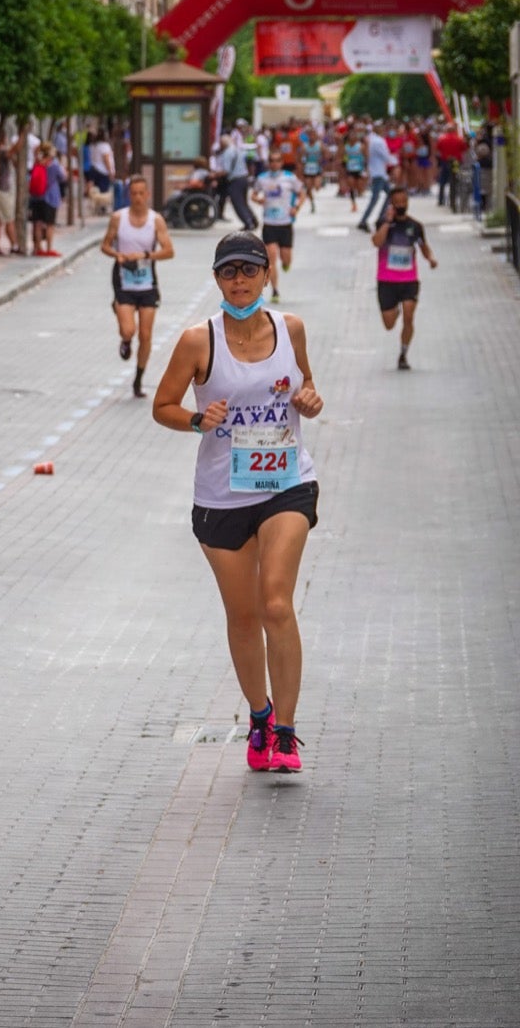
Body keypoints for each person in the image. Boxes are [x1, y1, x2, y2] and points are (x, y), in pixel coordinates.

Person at [151, 230, 325, 775]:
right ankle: (259, 717)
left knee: (276, 603)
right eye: (229, 272)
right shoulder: (197, 341)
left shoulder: (290, 328)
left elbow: (308, 392)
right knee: (244, 616)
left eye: (250, 270)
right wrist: (196, 419)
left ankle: (287, 733)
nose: (240, 281)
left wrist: (309, 402)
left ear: (267, 274)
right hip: (222, 497)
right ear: (217, 278)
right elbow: (162, 406)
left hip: (286, 484)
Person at [101, 175, 176, 398]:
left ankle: (138, 380)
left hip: (146, 282)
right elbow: (104, 246)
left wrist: (145, 255)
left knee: (145, 334)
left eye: (141, 193)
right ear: (128, 195)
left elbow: (169, 251)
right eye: (133, 193)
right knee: (129, 331)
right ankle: (125, 339)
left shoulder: (156, 220)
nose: (138, 198)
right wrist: (118, 255)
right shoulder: (118, 218)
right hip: (123, 280)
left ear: (148, 194)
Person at [371, 186, 438, 371]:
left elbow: (423, 246)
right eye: (397, 202)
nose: (401, 205)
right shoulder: (383, 223)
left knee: (409, 316)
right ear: (391, 204)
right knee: (389, 324)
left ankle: (403, 353)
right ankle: (395, 311)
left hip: (409, 279)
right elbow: (376, 242)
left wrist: (430, 259)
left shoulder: (415, 226)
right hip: (386, 280)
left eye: (404, 201)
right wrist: (387, 222)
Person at [251, 155, 304, 304]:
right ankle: (275, 290)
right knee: (271, 258)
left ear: (281, 163)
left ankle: (286, 263)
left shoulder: (290, 177)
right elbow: (253, 195)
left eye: (277, 161)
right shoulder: (262, 178)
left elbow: (302, 193)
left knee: (285, 258)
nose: (274, 164)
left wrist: (296, 207)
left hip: (285, 223)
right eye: (272, 161)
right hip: (269, 223)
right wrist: (258, 199)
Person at [0, 128, 21, 254]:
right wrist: (23, 135)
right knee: (8, 219)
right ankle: (14, 245)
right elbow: (13, 151)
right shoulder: (1, 152)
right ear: (2, 139)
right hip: (1, 191)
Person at [29, 143, 66, 257]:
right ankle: (49, 248)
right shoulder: (53, 165)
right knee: (50, 224)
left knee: (37, 223)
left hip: (36, 197)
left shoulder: (37, 163)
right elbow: (63, 177)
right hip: (50, 197)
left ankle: (37, 247)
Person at [218, 124, 256, 230]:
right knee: (244, 202)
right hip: (243, 178)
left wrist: (215, 174)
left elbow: (226, 170)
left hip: (235, 180)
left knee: (238, 202)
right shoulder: (236, 150)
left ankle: (248, 223)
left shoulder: (227, 153)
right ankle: (253, 220)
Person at [357, 125, 396, 230]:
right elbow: (385, 156)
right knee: (375, 198)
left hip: (378, 172)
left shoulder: (371, 140)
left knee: (390, 194)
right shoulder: (378, 141)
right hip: (378, 173)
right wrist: (395, 161)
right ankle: (365, 220)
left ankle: (380, 217)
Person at [435, 123, 467, 207]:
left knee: (442, 181)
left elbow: (438, 148)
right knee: (456, 180)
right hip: (456, 162)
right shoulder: (459, 139)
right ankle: (455, 198)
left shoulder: (442, 139)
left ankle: (441, 200)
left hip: (445, 161)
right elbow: (464, 148)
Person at [341, 129, 366, 213]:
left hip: (359, 169)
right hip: (350, 169)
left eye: (353, 136)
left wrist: (366, 169)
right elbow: (342, 158)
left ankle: (360, 194)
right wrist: (343, 167)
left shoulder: (361, 146)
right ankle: (353, 204)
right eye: (350, 136)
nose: (352, 137)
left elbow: (366, 157)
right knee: (351, 185)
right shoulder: (346, 147)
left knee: (359, 187)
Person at [300, 131, 324, 213]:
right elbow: (300, 157)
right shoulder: (304, 146)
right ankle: (312, 203)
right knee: (308, 188)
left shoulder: (320, 145)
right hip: (308, 168)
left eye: (313, 135)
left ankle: (320, 183)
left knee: (317, 186)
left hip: (317, 168)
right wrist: (301, 167)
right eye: (310, 136)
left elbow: (326, 154)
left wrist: (322, 161)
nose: (312, 137)